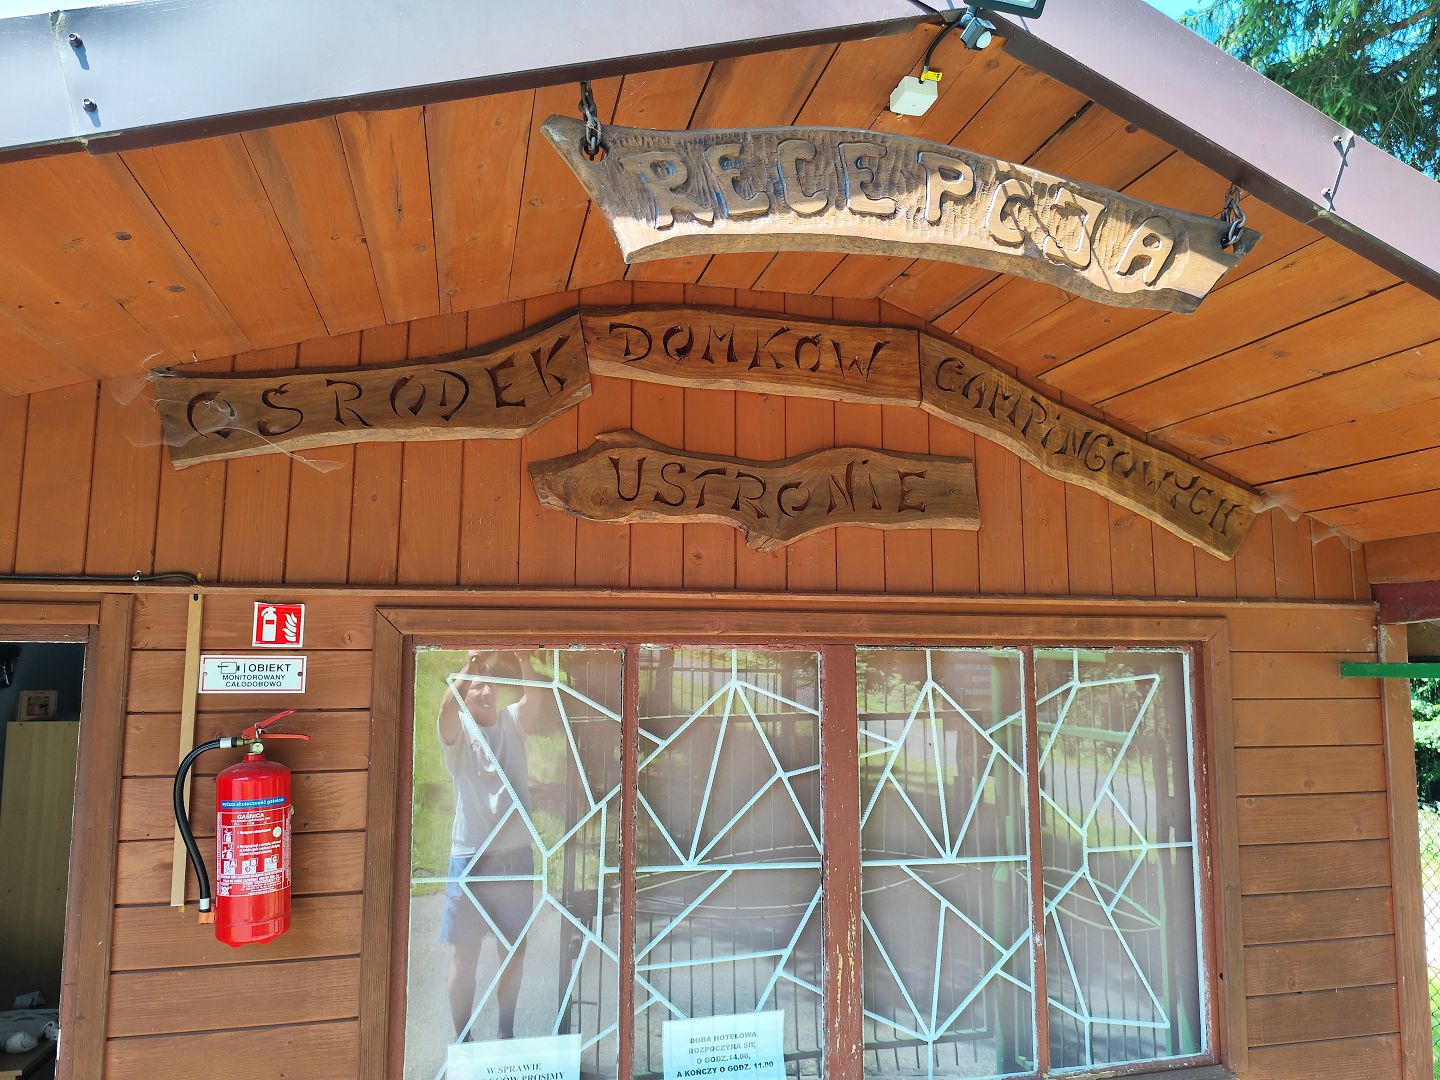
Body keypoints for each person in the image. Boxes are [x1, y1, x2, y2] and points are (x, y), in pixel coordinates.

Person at [437, 650, 542, 1043]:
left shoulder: (511, 722)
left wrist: (525, 662)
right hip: (470, 858)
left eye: (490, 684)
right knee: (464, 954)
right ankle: (463, 1040)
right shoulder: (458, 733)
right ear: (465, 692)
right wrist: (468, 667)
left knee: (513, 949)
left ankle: (505, 1034)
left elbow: (534, 698)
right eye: (477, 686)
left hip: (515, 857)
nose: (486, 691)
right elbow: (446, 708)